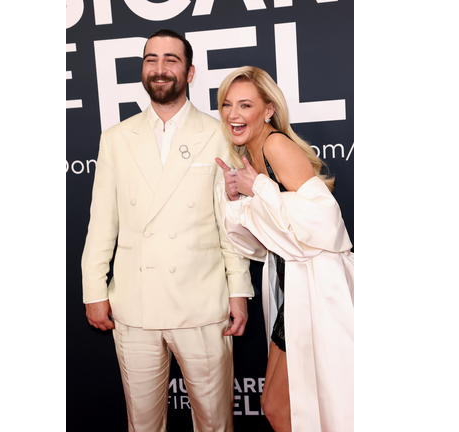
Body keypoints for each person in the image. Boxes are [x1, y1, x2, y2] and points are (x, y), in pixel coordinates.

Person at [81, 29, 254, 432]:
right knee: (142, 424)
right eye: (151, 60)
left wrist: (238, 292)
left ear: (190, 72)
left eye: (171, 60)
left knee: (214, 423)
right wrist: (94, 291)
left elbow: (229, 223)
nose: (160, 69)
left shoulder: (217, 133)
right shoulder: (116, 139)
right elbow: (101, 223)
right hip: (134, 307)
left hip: (202, 306)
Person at [214, 66, 355, 432]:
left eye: (245, 105)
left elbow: (326, 221)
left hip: (319, 292)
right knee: (276, 405)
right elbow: (261, 245)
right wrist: (236, 199)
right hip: (290, 294)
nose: (234, 114)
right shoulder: (250, 152)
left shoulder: (275, 144)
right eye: (227, 104)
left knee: (303, 406)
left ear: (269, 110)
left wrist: (258, 187)